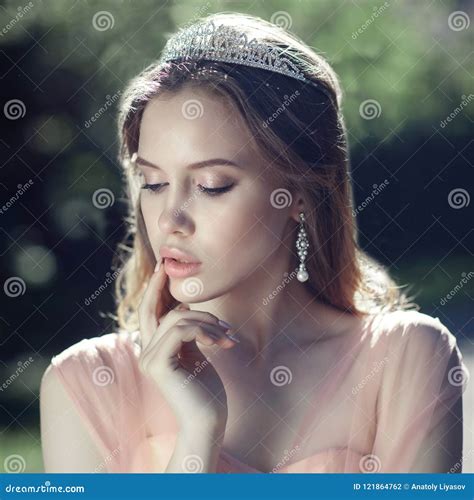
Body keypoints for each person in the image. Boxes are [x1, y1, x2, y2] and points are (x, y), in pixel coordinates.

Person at [40, 11, 469, 474]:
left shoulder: (405, 357)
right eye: (154, 183)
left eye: (211, 185)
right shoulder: (86, 383)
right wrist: (198, 432)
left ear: (299, 194)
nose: (170, 220)